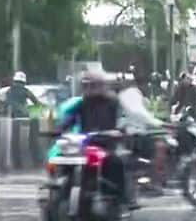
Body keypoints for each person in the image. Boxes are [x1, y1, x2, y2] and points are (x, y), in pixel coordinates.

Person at [56, 70, 138, 209]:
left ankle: (122, 199)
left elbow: (123, 118)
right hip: (85, 146)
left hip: (107, 145)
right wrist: (58, 130)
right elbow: (69, 120)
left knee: (115, 162)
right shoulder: (82, 103)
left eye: (92, 85)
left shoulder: (113, 102)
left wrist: (120, 129)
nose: (88, 89)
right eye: (85, 86)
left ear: (101, 86)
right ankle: (63, 196)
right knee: (62, 162)